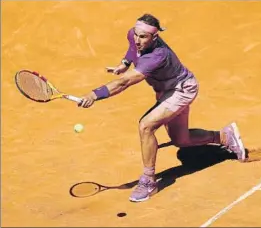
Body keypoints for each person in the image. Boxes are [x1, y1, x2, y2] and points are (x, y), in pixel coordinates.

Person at [78, 14, 246, 202]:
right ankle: (224, 136)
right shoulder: (134, 35)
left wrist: (94, 94)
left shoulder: (157, 56)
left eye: (143, 37)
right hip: (167, 91)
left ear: (154, 38)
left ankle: (149, 181)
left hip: (181, 90)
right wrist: (125, 63)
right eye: (136, 34)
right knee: (181, 140)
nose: (137, 39)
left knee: (146, 126)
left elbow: (124, 83)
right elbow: (132, 48)